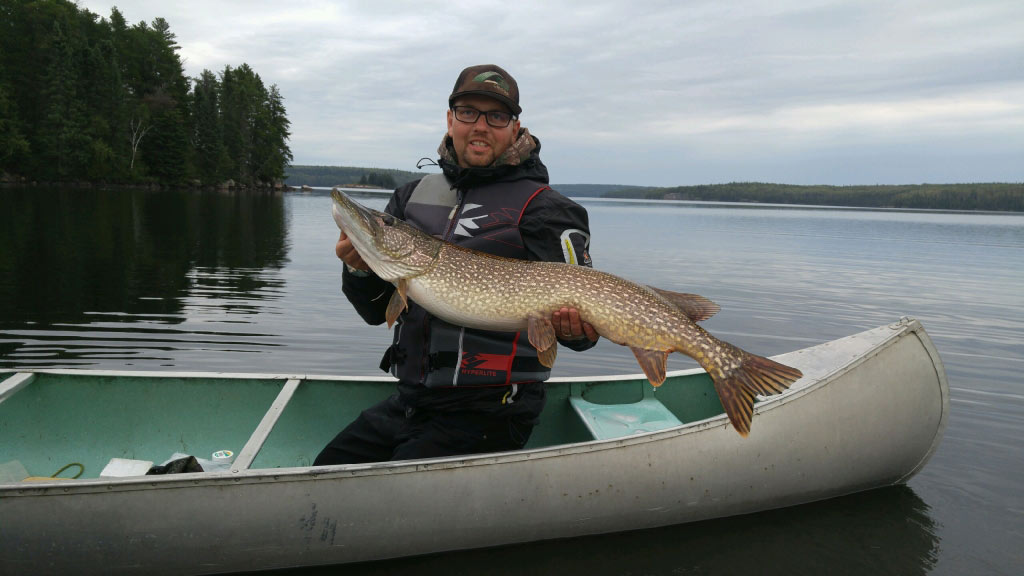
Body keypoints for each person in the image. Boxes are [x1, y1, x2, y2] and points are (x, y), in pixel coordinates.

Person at [314, 64, 598, 465]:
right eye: (468, 112)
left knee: (394, 496)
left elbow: (584, 336)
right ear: (450, 120)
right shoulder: (410, 199)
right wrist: (359, 268)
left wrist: (575, 328)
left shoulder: (547, 209)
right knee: (326, 473)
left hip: (493, 409)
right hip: (411, 400)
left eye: (497, 116)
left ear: (516, 128)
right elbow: (377, 312)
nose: (481, 126)